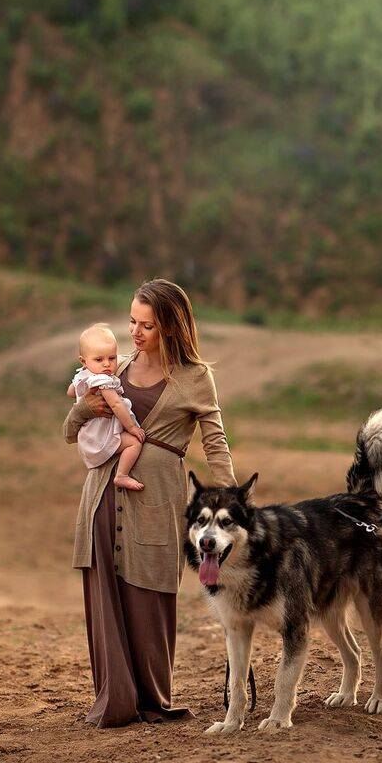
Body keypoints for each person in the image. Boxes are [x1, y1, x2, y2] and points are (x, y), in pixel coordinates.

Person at [63, 278, 236, 727]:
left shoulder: (196, 377)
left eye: (147, 325)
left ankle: (152, 699)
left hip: (157, 498)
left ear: (171, 327)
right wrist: (86, 409)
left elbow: (215, 443)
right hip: (103, 494)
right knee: (107, 597)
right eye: (132, 322)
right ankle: (116, 700)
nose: (135, 333)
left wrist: (234, 504)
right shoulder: (112, 369)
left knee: (151, 593)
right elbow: (71, 430)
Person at [66, 322, 147, 491]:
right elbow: (116, 404)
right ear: (83, 361)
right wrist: (132, 427)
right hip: (101, 438)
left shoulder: (83, 374)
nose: (106, 364)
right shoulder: (102, 380)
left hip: (89, 437)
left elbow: (71, 392)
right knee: (134, 443)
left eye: (112, 358)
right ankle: (122, 475)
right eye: (99, 360)